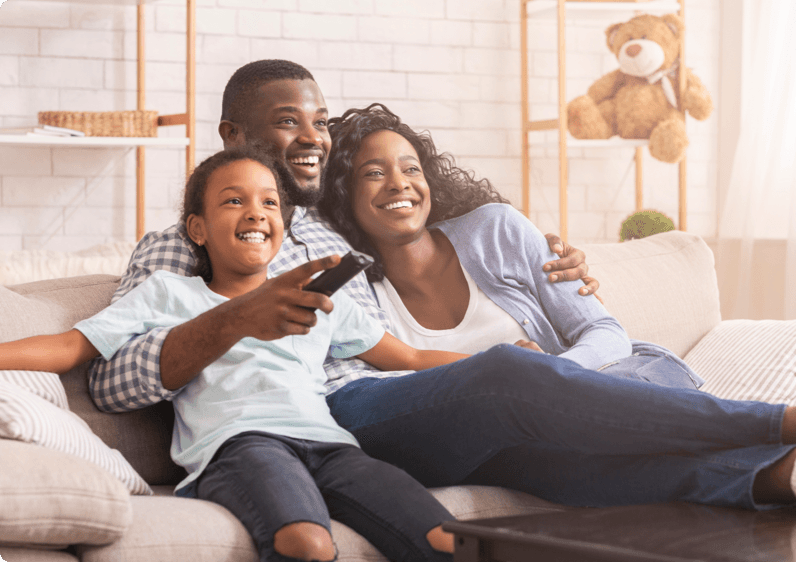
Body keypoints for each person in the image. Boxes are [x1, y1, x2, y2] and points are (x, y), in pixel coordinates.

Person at [316, 102, 796, 518]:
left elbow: (604, 331)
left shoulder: (495, 230)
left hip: (588, 399)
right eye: (373, 173)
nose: (399, 183)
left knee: (576, 449)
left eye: (411, 167)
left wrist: (551, 375)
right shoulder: (355, 288)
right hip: (492, 441)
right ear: (344, 193)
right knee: (528, 412)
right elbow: (382, 391)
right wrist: (523, 375)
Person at [1, 146, 467, 562]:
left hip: (333, 447)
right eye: (233, 200)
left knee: (447, 540)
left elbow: (409, 358)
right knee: (308, 545)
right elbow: (69, 346)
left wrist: (508, 354)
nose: (256, 213)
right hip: (239, 447)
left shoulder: (316, 298)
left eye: (269, 202)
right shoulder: (169, 293)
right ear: (197, 229)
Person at [87, 59, 592, 413]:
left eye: (321, 123)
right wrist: (236, 318)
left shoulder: (338, 229)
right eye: (288, 122)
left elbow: (413, 225)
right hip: (332, 412)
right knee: (526, 391)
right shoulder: (182, 244)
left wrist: (544, 256)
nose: (313, 138)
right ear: (232, 135)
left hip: (406, 393)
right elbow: (108, 382)